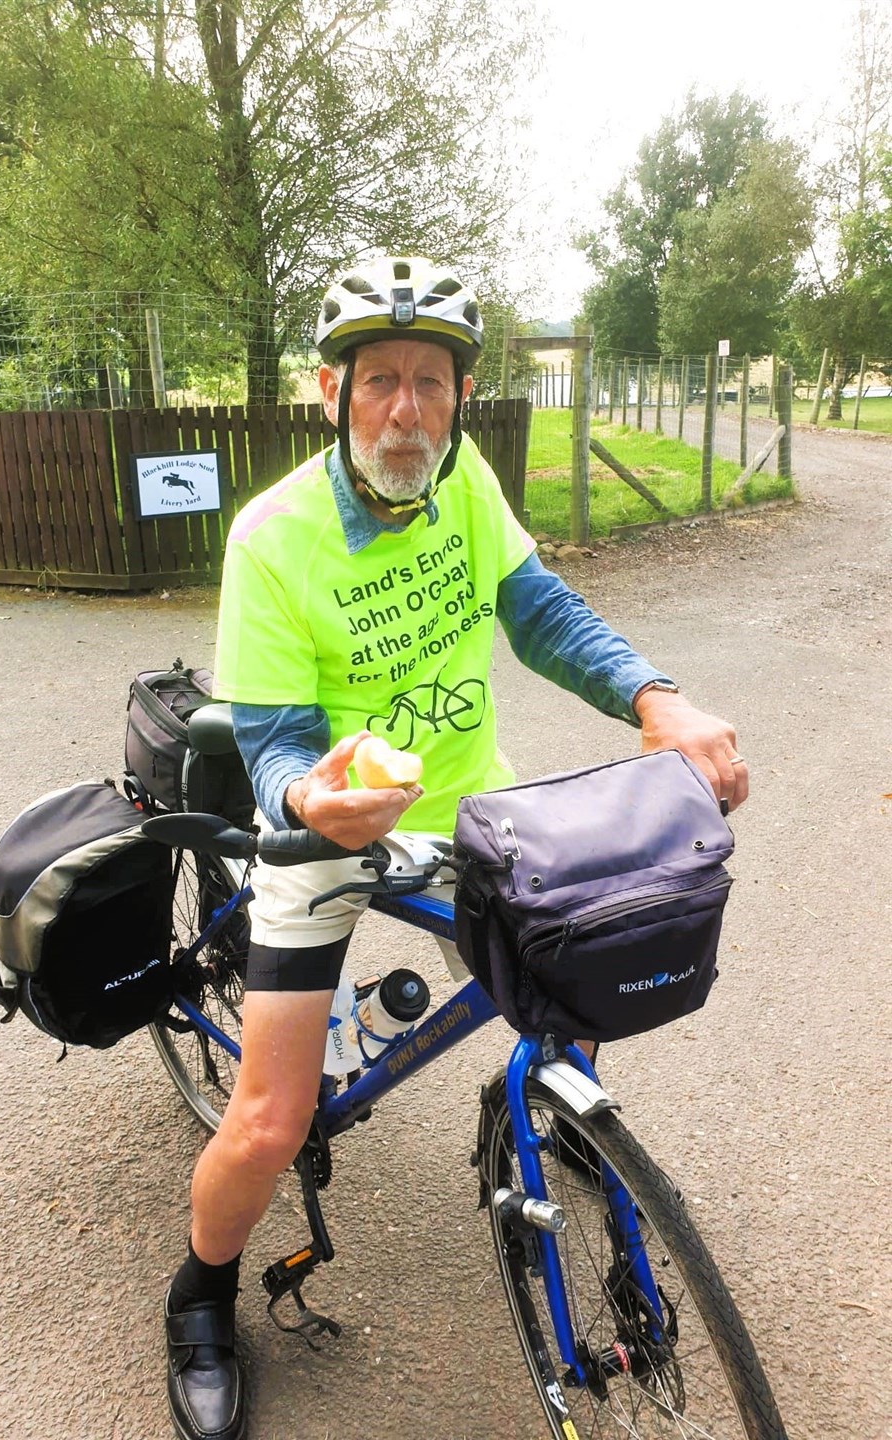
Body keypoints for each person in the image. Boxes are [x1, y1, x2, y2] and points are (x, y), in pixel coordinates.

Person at [162, 256, 749, 1440]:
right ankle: (203, 1294)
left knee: (573, 961)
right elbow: (274, 742)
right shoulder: (273, 538)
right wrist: (307, 803)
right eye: (381, 381)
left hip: (471, 808)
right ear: (334, 390)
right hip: (329, 826)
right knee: (275, 1120)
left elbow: (540, 612)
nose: (407, 411)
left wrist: (657, 699)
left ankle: (558, 1120)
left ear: (457, 399)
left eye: (431, 384)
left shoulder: (464, 478)